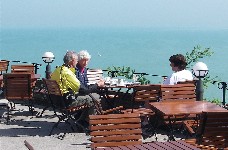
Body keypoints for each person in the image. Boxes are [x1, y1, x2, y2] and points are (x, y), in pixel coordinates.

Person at [51, 50, 94, 129]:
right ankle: (87, 123)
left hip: (56, 101)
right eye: (76, 60)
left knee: (89, 97)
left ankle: (80, 120)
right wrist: (97, 85)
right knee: (94, 99)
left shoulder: (57, 70)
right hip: (67, 102)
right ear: (71, 61)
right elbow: (84, 90)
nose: (77, 62)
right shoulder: (67, 73)